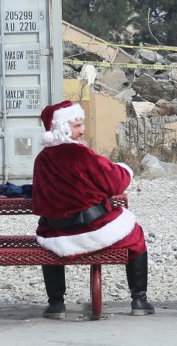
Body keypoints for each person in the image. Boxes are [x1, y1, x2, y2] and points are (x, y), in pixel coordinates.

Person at [32, 100, 155, 319]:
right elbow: (115, 182)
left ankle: (56, 304)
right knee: (136, 235)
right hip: (91, 230)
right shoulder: (81, 155)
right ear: (63, 127)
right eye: (77, 125)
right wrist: (125, 169)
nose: (82, 130)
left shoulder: (41, 160)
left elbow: (39, 201)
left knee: (47, 243)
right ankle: (139, 300)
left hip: (56, 235)